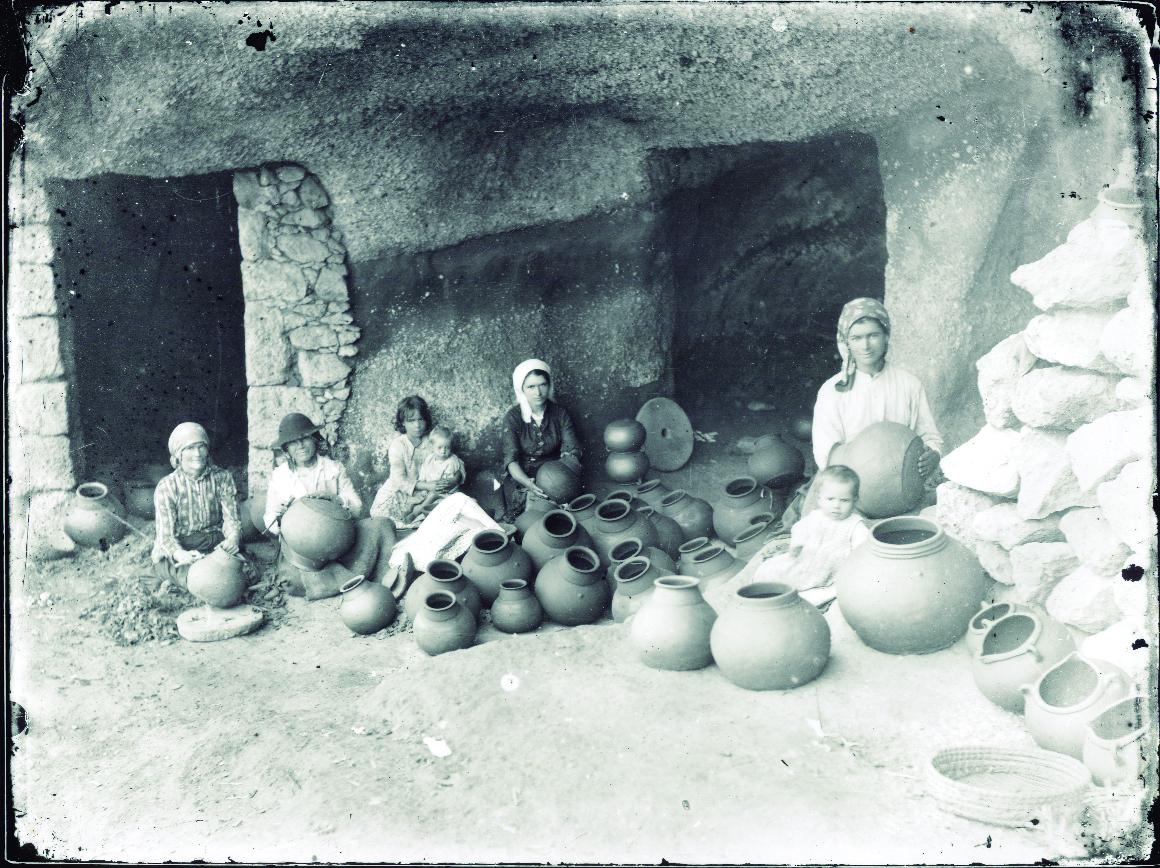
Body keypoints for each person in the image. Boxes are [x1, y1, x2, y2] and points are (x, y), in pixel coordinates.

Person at [777, 297, 944, 531]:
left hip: (901, 487)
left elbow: (930, 436)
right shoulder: (832, 390)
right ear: (846, 342)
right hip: (847, 490)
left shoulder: (909, 384)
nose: (865, 346)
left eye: (873, 335)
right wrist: (862, 481)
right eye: (856, 338)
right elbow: (825, 453)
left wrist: (933, 454)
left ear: (886, 336)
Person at [752, 465, 870, 605]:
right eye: (830, 499)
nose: (836, 506)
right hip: (808, 561)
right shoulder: (815, 517)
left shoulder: (854, 525)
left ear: (855, 500)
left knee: (831, 590)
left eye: (844, 500)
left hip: (832, 570)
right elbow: (800, 529)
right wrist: (797, 544)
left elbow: (863, 548)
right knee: (773, 571)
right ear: (819, 499)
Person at [152, 422, 244, 589]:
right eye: (190, 448)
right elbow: (165, 537)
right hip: (183, 545)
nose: (197, 454)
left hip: (216, 541)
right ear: (179, 454)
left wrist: (232, 538)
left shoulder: (222, 477)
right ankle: (173, 580)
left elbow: (232, 518)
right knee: (201, 581)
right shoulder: (167, 487)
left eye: (201, 447)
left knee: (242, 574)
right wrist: (180, 554)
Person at [500, 358, 582, 522]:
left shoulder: (560, 414)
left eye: (542, 385)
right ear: (521, 389)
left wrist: (560, 482)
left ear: (549, 385)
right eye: (531, 386)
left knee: (570, 510)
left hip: (556, 470)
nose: (538, 392)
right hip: (524, 476)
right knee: (533, 518)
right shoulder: (513, 418)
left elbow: (572, 451)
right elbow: (511, 460)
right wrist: (529, 484)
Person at [263, 412, 363, 536]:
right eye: (293, 442)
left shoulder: (334, 468)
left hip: (332, 533)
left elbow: (357, 508)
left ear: (314, 439)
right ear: (286, 448)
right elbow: (269, 519)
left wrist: (336, 499)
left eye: (305, 438)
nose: (300, 446)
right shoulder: (280, 475)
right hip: (298, 540)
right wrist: (279, 517)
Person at [370, 396, 458, 529]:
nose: (417, 425)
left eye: (420, 419)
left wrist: (453, 479)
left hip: (428, 493)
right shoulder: (398, 445)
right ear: (403, 423)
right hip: (401, 491)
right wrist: (428, 486)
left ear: (426, 420)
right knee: (383, 516)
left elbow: (453, 461)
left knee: (445, 513)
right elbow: (398, 480)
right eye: (411, 421)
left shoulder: (433, 439)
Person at [403, 425, 467, 523]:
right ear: (432, 446)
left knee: (433, 496)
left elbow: (446, 484)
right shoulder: (429, 459)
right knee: (415, 496)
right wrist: (424, 486)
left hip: (445, 493)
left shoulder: (451, 461)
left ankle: (417, 512)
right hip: (429, 488)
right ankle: (409, 510)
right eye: (440, 447)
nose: (443, 451)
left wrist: (434, 487)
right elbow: (423, 475)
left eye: (447, 447)